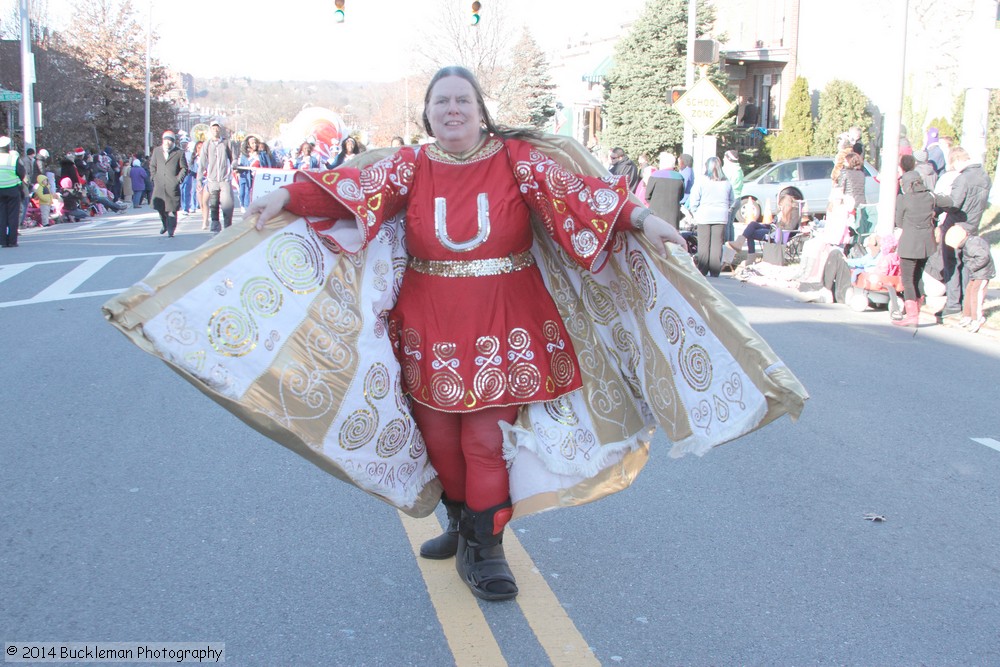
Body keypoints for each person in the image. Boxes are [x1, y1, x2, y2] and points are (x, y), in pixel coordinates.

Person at [108, 66, 807, 607]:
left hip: (505, 314)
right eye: (441, 102)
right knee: (440, 436)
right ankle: (459, 515)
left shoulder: (517, 162)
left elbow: (576, 195)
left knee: (482, 438)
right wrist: (286, 196)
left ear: (480, 112)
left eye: (462, 102)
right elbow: (349, 185)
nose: (451, 111)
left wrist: (642, 221)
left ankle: (487, 546)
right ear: (428, 114)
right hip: (430, 314)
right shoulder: (410, 165)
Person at [934, 145, 992, 316]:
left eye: (953, 165)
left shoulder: (963, 179)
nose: (954, 169)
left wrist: (938, 201)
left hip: (955, 225)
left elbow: (954, 204)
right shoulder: (984, 177)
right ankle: (966, 301)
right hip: (973, 226)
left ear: (958, 160)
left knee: (951, 263)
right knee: (967, 264)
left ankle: (953, 303)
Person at [893, 169, 938, 327]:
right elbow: (949, 202)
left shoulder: (903, 199)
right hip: (926, 244)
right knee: (918, 276)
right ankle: (918, 308)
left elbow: (898, 222)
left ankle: (912, 315)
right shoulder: (930, 197)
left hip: (909, 244)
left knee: (907, 279)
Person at [687, 157, 734, 277]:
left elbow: (694, 198)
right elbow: (732, 200)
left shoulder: (702, 181)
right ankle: (715, 270)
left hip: (704, 214)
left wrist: (695, 211)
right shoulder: (726, 182)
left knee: (704, 243)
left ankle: (703, 270)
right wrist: (726, 209)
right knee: (717, 244)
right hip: (721, 216)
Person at [944, 226, 995, 333]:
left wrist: (972, 267)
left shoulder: (972, 245)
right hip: (976, 273)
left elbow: (984, 257)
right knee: (969, 291)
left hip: (982, 273)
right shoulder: (968, 243)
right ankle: (967, 315)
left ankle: (977, 318)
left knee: (976, 294)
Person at [150, 130, 189, 238]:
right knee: (161, 208)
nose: (167, 143)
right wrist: (154, 177)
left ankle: (171, 229)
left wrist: (178, 179)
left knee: (172, 209)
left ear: (173, 142)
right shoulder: (157, 151)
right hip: (159, 185)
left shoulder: (179, 152)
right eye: (166, 140)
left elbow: (184, 168)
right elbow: (153, 165)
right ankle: (165, 224)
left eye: (170, 140)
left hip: (172, 185)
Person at [201, 120, 235, 232]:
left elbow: (233, 157)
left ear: (220, 129)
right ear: (210, 130)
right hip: (212, 179)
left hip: (225, 178)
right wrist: (199, 178)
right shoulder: (207, 144)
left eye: (217, 128)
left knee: (227, 203)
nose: (215, 130)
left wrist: (234, 165)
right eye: (213, 128)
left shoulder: (226, 143)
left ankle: (227, 225)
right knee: (214, 203)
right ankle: (215, 223)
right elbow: (202, 162)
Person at [645, 152, 685, 229]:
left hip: (656, 213)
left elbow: (647, 196)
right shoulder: (679, 177)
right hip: (673, 214)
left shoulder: (655, 176)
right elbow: (681, 196)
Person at [0, 136, 26, 247]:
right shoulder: (13, 158)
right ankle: (12, 240)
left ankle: (3, 241)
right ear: (8, 147)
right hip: (12, 189)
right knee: (13, 216)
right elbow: (21, 173)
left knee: (1, 216)